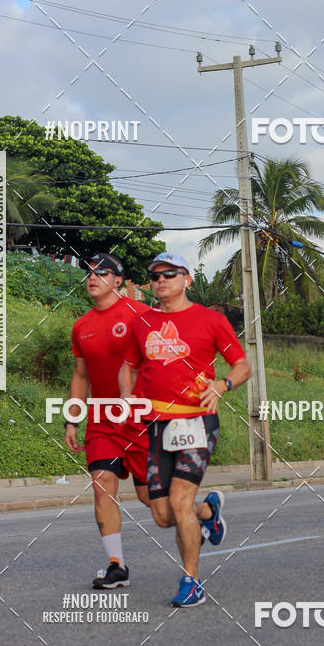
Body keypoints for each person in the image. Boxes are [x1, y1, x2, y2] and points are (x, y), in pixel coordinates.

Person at [118, 251, 251, 608]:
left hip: (195, 421)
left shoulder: (210, 320)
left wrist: (222, 386)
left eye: (170, 274)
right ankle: (209, 512)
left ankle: (191, 582)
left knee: (179, 502)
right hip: (155, 425)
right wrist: (127, 395)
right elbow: (128, 366)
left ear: (187, 280)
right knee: (163, 515)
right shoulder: (141, 322)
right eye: (156, 275)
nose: (161, 280)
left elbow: (241, 365)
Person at [65, 253, 151, 590]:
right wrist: (72, 419)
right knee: (103, 488)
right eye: (89, 272)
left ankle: (203, 516)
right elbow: (80, 375)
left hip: (142, 421)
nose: (93, 277)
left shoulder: (142, 315)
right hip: (102, 421)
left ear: (119, 281)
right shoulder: (81, 326)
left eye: (102, 272)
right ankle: (117, 566)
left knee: (153, 503)